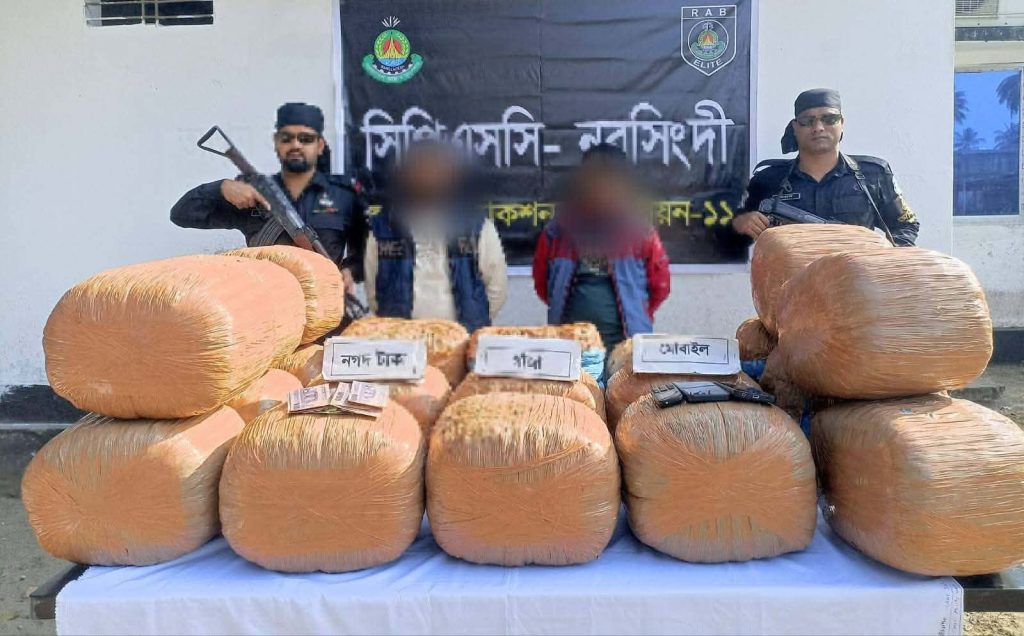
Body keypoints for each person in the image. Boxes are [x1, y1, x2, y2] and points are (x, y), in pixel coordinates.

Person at [171, 102, 367, 292]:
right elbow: (181, 215)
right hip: (266, 305)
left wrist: (350, 271)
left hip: (323, 304)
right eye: (287, 138)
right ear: (276, 143)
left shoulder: (344, 196)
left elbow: (366, 254)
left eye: (305, 138)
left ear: (320, 145)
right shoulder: (252, 192)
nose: (296, 145)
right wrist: (221, 188)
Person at [732, 88, 919, 246]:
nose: (818, 127)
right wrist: (740, 224)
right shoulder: (767, 179)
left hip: (856, 276)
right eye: (807, 121)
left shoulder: (873, 175)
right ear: (795, 127)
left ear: (842, 123)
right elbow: (726, 236)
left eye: (829, 119)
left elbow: (906, 225)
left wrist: (886, 251)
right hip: (791, 277)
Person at [533, 144, 670, 351]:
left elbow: (660, 286)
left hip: (626, 346)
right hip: (570, 345)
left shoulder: (641, 233)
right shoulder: (557, 231)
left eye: (609, 182)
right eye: (593, 180)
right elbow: (543, 285)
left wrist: (636, 312)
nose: (600, 190)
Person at [364, 140, 507, 331]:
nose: (428, 177)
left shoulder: (476, 226)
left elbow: (496, 287)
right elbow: (373, 290)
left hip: (461, 338)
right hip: (402, 339)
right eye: (421, 169)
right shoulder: (384, 228)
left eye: (436, 170)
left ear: (451, 175)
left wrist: (473, 322)